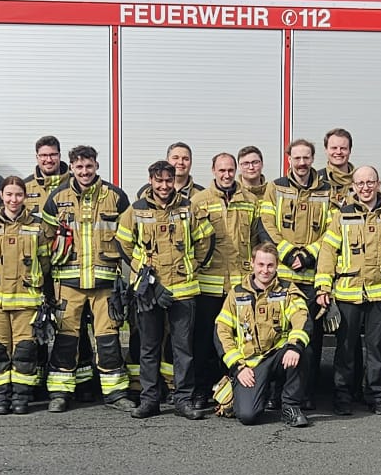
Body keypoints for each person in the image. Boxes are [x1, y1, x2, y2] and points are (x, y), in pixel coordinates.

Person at [118, 159, 214, 419]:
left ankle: (183, 400)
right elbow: (124, 244)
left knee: (183, 349)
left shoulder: (189, 207)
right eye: (158, 180)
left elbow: (206, 239)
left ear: (174, 181)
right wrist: (144, 274)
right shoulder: (136, 210)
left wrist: (192, 264)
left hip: (183, 290)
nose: (163, 185)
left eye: (168, 180)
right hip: (150, 292)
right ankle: (149, 400)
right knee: (148, 348)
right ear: (151, 181)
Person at [41, 143, 132, 408]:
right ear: (71, 168)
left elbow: (128, 238)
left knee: (108, 337)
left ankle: (116, 394)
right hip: (68, 283)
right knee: (66, 338)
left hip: (105, 282)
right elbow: (45, 239)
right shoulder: (57, 197)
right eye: (79, 166)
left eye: (89, 166)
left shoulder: (115, 196)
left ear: (96, 166)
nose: (84, 171)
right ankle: (60, 394)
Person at [314, 163, 381, 416]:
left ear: (377, 184)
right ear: (354, 186)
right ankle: (342, 397)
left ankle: (376, 397)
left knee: (376, 349)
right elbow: (328, 253)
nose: (365, 187)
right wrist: (323, 287)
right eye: (360, 183)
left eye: (370, 182)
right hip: (348, 294)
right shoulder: (341, 215)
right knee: (345, 349)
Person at [257, 138, 336, 406]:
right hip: (281, 277)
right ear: (289, 158)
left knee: (309, 339)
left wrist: (309, 254)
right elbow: (266, 223)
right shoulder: (275, 188)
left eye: (306, 158)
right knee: (274, 334)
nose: (302, 163)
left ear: (313, 159)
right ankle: (273, 393)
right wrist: (289, 252)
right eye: (297, 158)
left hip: (310, 280)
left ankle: (305, 394)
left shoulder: (327, 191)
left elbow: (331, 231)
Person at [215, 243, 312, 428]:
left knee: (303, 352)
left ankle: (290, 406)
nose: (265, 270)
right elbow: (222, 331)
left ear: (277, 266)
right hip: (250, 363)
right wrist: (237, 368)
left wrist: (295, 346)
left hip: (278, 355)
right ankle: (256, 392)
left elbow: (302, 318)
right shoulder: (236, 294)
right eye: (260, 265)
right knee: (247, 416)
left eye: (270, 265)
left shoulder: (287, 290)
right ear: (252, 263)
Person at [0, 175, 53, 415]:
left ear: (25, 197)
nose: (13, 199)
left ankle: (21, 398)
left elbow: (44, 261)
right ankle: (0, 398)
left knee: (24, 351)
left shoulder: (36, 225)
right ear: (1, 195)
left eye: (18, 195)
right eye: (9, 194)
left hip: (26, 301)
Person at [191, 151, 260, 402]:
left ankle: (232, 389)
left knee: (240, 338)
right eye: (222, 170)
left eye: (231, 170)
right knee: (204, 340)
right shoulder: (199, 201)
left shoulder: (251, 200)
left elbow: (256, 239)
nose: (227, 174)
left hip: (240, 284)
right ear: (213, 171)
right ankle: (201, 390)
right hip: (208, 283)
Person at [24, 136, 68, 203]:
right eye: (44, 155)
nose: (49, 160)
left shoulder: (75, 184)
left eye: (53, 155)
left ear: (59, 156)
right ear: (37, 157)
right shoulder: (25, 187)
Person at [322, 128, 355, 201]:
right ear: (326, 150)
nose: (338, 152)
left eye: (343, 148)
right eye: (334, 148)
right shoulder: (315, 180)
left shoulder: (360, 181)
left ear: (350, 150)